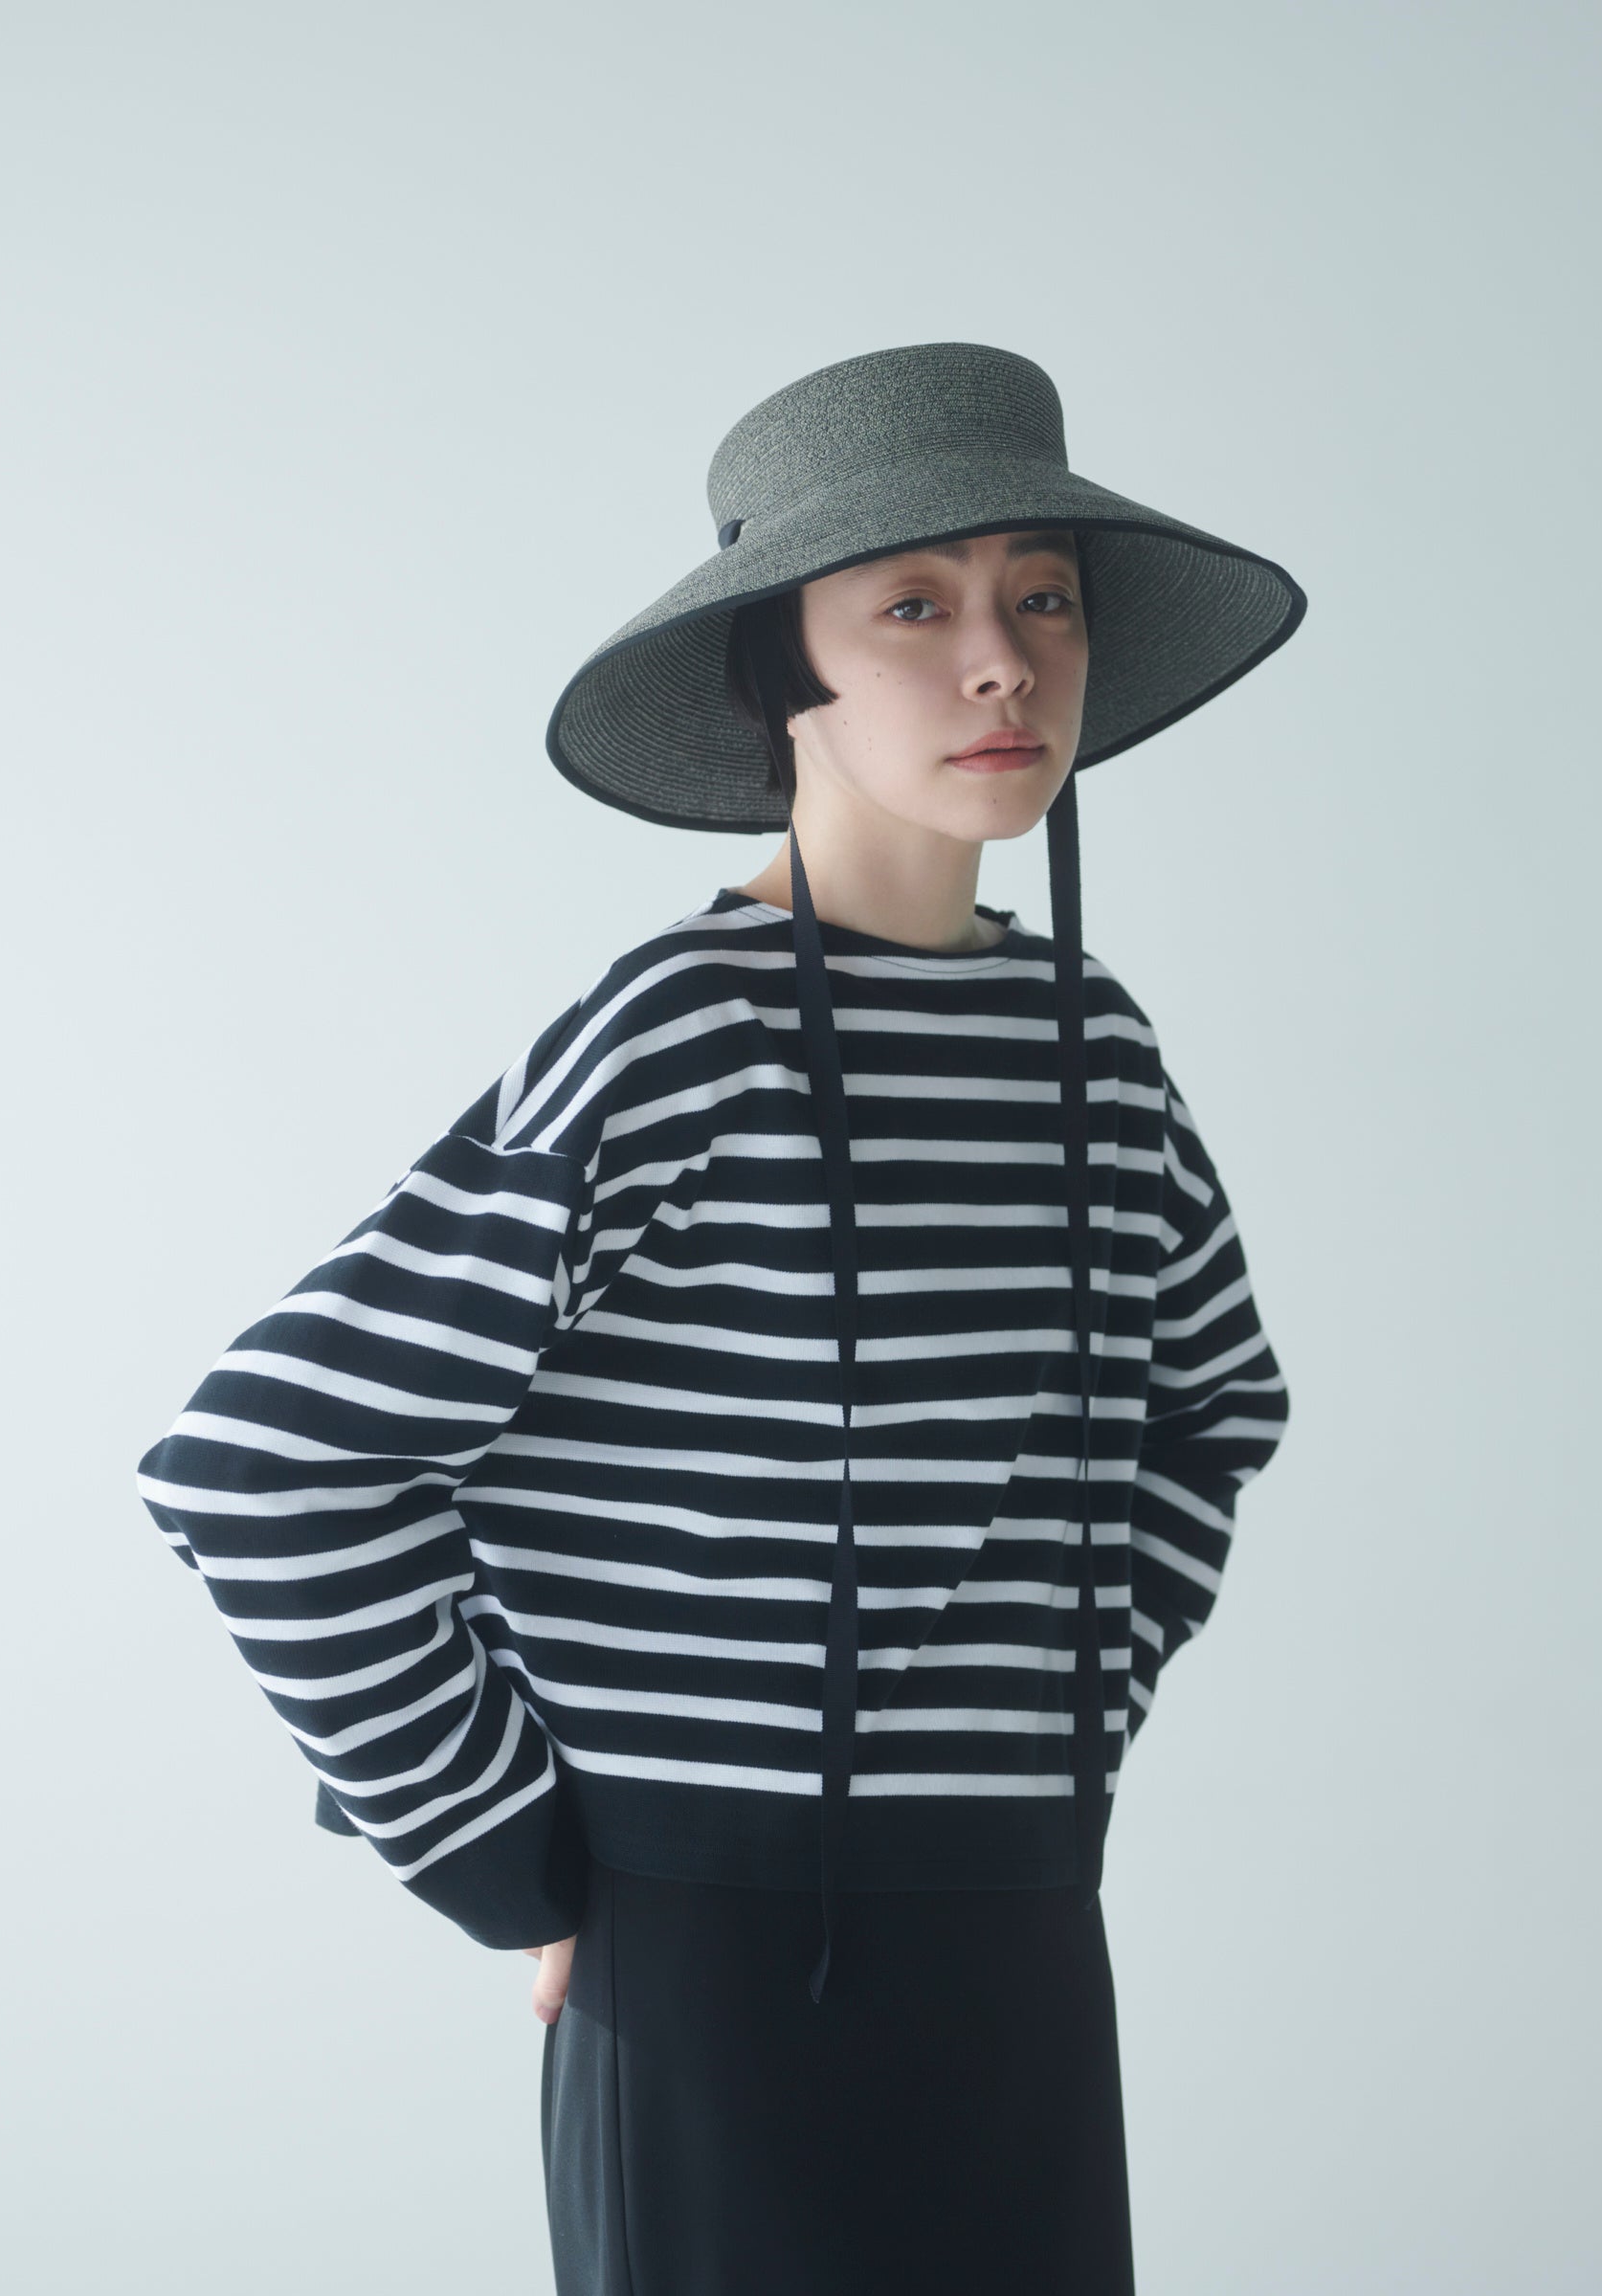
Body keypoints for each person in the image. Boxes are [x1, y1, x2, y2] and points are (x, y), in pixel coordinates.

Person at [136, 341, 1305, 2294]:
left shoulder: (1091, 1045)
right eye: (914, 607)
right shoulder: (686, 1030)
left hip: (1022, 1935)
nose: (1002, 663)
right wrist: (517, 1857)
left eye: (1042, 597)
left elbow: (1208, 1411)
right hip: (706, 1967)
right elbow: (269, 1466)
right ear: (783, 673)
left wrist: (1049, 1720)